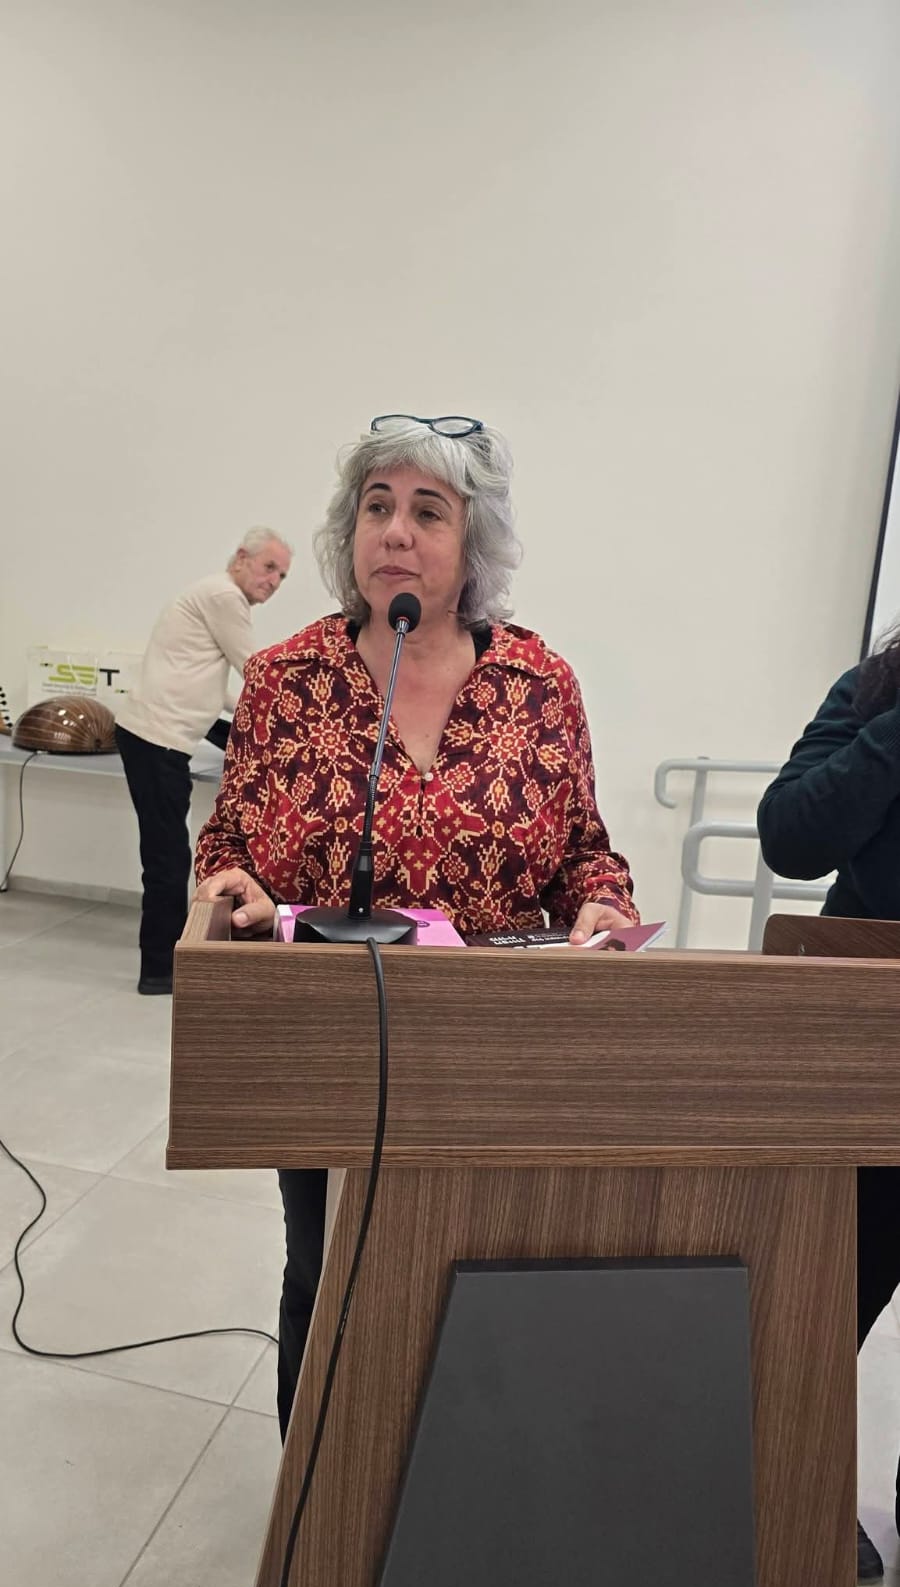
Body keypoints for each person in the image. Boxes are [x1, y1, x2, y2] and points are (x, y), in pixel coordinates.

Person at [193, 413, 638, 1440]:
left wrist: (603, 903)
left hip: (489, 1046)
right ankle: (318, 1495)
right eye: (377, 506)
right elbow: (228, 835)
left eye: (428, 511)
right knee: (325, 1270)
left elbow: (584, 850)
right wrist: (229, 881)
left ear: (474, 542)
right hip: (328, 1035)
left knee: (468, 1271)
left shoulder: (540, 684)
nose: (395, 530)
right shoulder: (286, 679)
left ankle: (453, 1486)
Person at [757, 629, 900, 1584]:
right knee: (825, 1290)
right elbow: (792, 836)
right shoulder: (876, 687)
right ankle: (792, 1491)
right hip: (862, 1048)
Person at [115, 527, 292, 995]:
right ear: (241, 558)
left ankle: (164, 961)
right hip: (157, 739)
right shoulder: (224, 596)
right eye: (269, 567)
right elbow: (256, 669)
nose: (274, 582)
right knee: (168, 859)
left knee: (167, 854)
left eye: (282, 576)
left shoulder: (212, 594)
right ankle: (160, 970)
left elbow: (222, 692)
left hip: (153, 736)